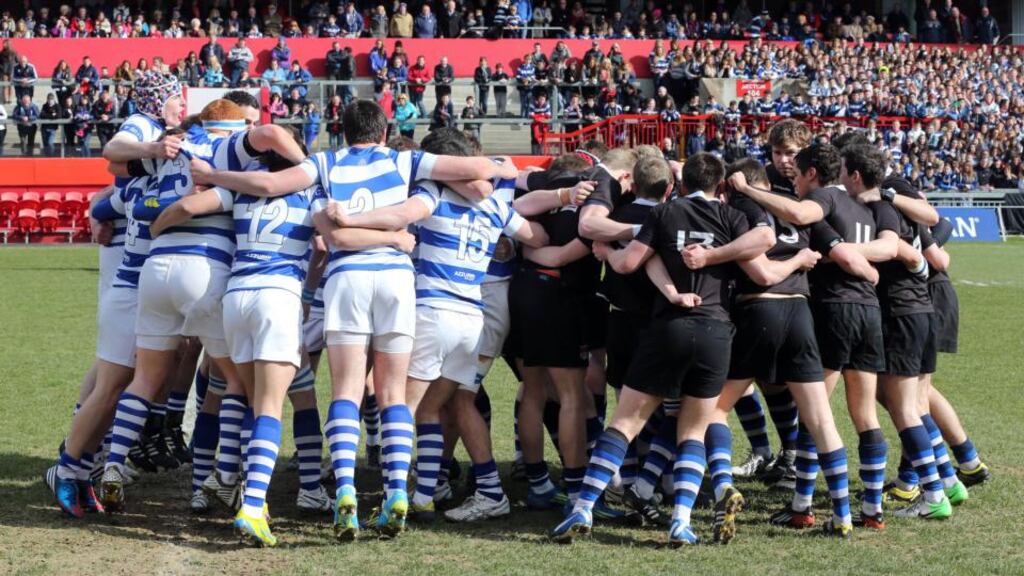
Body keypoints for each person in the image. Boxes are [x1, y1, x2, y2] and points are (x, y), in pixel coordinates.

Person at [189, 99, 518, 541]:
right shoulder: (407, 160)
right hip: (397, 282)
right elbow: (486, 170)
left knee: (345, 389)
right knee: (393, 394)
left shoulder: (323, 163)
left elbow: (269, 186)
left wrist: (213, 175)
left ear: (342, 132)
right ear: (384, 132)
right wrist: (498, 166)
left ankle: (344, 489)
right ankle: (396, 492)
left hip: (346, 278)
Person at [324, 129, 548, 523]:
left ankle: (402, 494)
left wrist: (351, 218)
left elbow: (398, 216)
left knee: (403, 407)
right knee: (440, 406)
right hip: (471, 317)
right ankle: (437, 492)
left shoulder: (432, 192)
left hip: (432, 311)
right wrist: (507, 244)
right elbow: (539, 235)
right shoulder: (495, 205)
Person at [550, 153, 750, 546]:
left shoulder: (664, 213)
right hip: (716, 329)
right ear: (719, 185)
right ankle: (682, 521)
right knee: (693, 429)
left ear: (681, 184)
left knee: (625, 422)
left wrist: (609, 256)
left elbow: (630, 264)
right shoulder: (734, 219)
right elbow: (762, 241)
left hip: (668, 327)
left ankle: (583, 507)